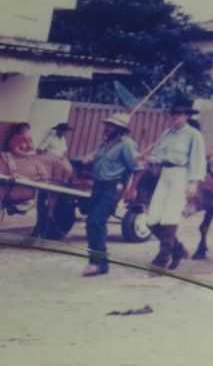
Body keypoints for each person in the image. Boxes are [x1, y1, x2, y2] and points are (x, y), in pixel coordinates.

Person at [146, 100, 206, 273]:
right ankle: (178, 249)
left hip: (182, 175)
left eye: (179, 115)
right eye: (173, 114)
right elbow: (157, 154)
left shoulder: (193, 135)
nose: (175, 118)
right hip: (164, 174)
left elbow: (197, 159)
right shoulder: (166, 133)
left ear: (187, 116)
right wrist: (148, 159)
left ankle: (162, 259)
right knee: (152, 220)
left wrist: (193, 182)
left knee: (170, 217)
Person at [81, 113, 139, 277]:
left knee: (96, 222)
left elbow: (137, 168)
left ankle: (97, 263)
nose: (106, 128)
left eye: (111, 126)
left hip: (112, 188)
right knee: (92, 224)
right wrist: (88, 160)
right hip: (97, 187)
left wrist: (131, 190)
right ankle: (101, 263)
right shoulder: (104, 143)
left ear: (120, 129)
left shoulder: (127, 145)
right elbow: (96, 160)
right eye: (106, 125)